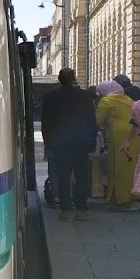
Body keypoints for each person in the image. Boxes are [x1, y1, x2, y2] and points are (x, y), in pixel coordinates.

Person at [42, 68, 96, 220]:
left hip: (60, 143)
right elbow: (91, 120)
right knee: (82, 175)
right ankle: (82, 208)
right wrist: (91, 142)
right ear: (74, 79)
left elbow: (46, 123)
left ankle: (66, 210)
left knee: (63, 176)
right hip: (81, 142)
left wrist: (48, 143)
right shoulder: (84, 96)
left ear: (59, 79)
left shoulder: (50, 97)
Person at [96, 80, 140, 211]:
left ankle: (120, 200)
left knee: (117, 169)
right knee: (131, 169)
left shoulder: (106, 101)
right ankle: (131, 198)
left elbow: (97, 120)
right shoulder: (128, 99)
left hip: (118, 138)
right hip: (134, 136)